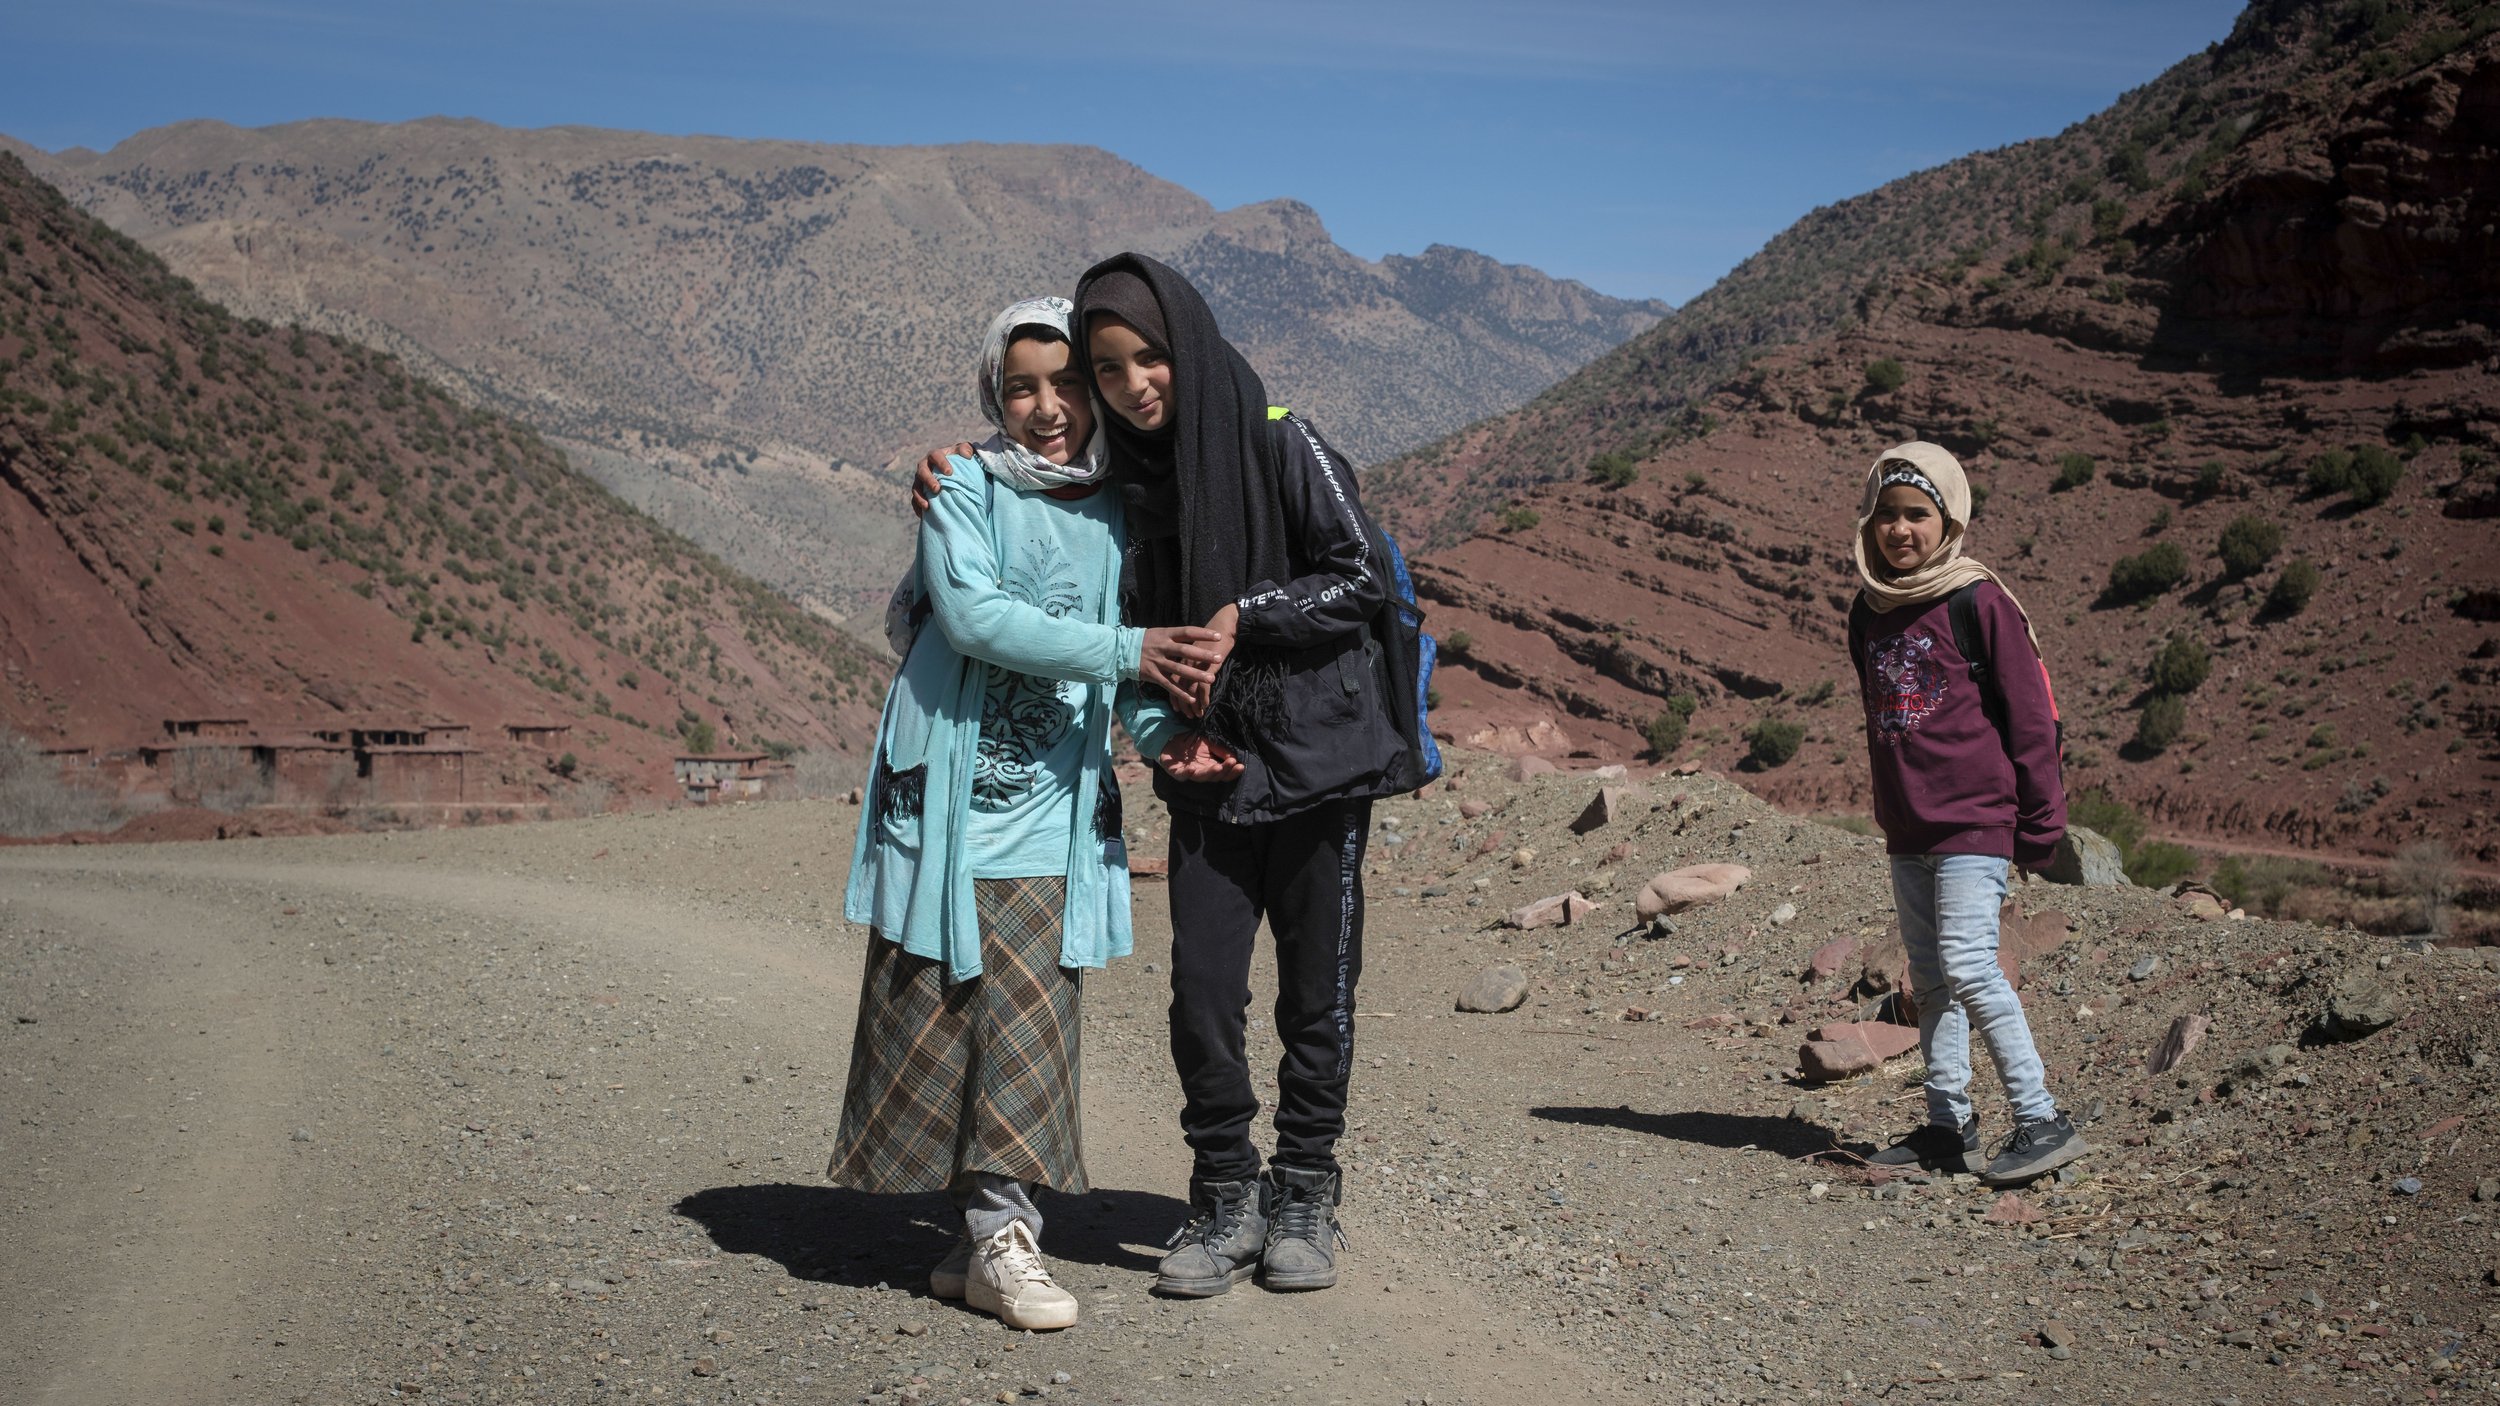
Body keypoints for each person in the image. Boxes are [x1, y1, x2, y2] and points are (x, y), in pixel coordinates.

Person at [913, 252, 1435, 1296]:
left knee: (1315, 995)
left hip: (1322, 765)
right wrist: (946, 464)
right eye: (1108, 369)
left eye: (1148, 357)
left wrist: (1251, 613)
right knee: (1201, 992)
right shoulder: (1127, 482)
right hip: (1205, 762)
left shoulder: (1279, 434)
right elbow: (1042, 519)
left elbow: (1361, 574)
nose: (1134, 384)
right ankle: (1223, 1190)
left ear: (1186, 348)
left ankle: (1304, 1188)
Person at [830, 296, 1223, 1331]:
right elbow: (969, 618)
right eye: (1019, 386)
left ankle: (1001, 1238)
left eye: (1065, 382)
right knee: (947, 1008)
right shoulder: (962, 484)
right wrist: (1129, 652)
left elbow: (1124, 648)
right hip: (949, 797)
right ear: (990, 394)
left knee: (1033, 1020)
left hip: (1053, 803)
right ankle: (987, 1237)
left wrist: (1157, 733)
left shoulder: (1120, 507)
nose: (1046, 408)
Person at [1844, 440, 2088, 1187]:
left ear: (1948, 518)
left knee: (1972, 967)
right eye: (1887, 515)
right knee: (1930, 977)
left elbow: (2031, 719)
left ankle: (2040, 1117)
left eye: (1917, 513)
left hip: (1976, 822)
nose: (1900, 530)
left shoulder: (1978, 600)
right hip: (1909, 827)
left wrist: (2041, 828)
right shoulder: (1870, 607)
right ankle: (1948, 1128)